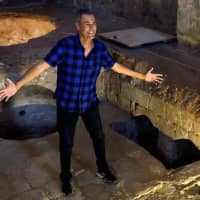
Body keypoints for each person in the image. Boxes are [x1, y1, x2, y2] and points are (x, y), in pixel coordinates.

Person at [0, 8, 163, 196]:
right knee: (67, 143)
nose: (91, 27)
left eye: (93, 23)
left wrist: (143, 76)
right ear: (78, 26)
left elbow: (116, 67)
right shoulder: (65, 46)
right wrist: (18, 85)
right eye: (87, 23)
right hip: (66, 104)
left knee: (99, 137)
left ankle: (103, 169)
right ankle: (66, 178)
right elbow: (41, 66)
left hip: (88, 103)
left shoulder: (100, 49)